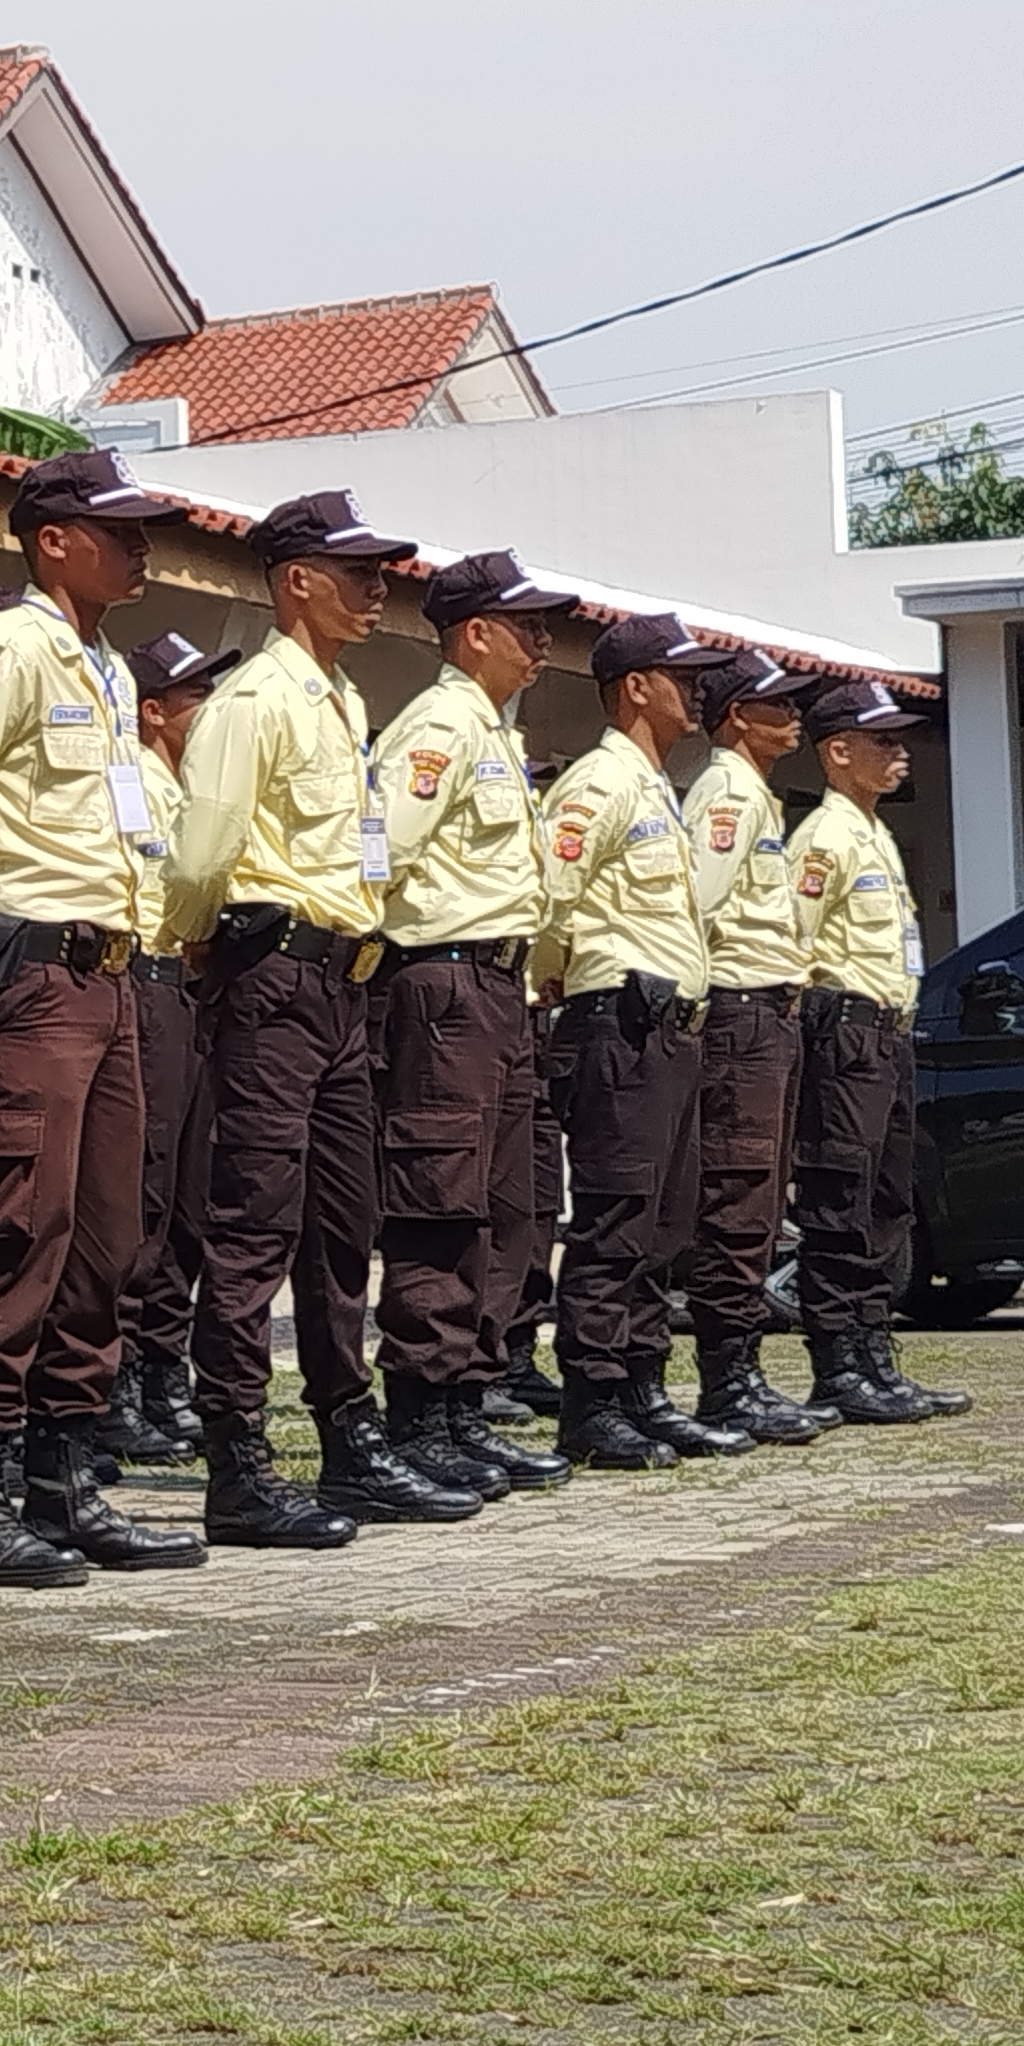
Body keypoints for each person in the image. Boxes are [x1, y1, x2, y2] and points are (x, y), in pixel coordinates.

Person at [0, 452, 206, 1583]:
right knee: (10, 1229)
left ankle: (64, 1481)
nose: (141, 546)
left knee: (102, 1236)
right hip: (26, 972)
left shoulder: (104, 666)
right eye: (117, 530)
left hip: (104, 976)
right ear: (52, 540)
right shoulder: (6, 650)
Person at [164, 490, 480, 1538]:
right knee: (253, 1226)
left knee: (343, 1226)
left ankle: (348, 1439)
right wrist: (199, 942)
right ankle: (237, 1460)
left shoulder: (340, 701)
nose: (376, 591)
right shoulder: (254, 700)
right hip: (271, 975)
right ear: (296, 581)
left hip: (341, 983)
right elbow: (201, 853)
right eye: (356, 574)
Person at [364, 551, 580, 1500]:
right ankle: (418, 1413)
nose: (541, 642)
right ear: (474, 633)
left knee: (502, 1206)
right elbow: (381, 856)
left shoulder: (493, 731)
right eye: (524, 626)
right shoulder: (438, 727)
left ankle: (464, 1403)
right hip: (443, 981)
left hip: (497, 988)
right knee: (439, 1202)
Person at [531, 611, 737, 1471]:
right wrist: (555, 978)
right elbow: (552, 891)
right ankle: (593, 1399)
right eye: (680, 677)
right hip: (620, 1021)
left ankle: (643, 1387)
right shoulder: (600, 781)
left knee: (665, 1222)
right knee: (615, 1216)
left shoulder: (657, 787)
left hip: (671, 1029)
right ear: (635, 688)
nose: (696, 691)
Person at [788, 682, 960, 1426]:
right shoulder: (823, 838)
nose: (899, 752)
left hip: (890, 1032)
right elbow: (790, 944)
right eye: (882, 740)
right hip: (846, 1032)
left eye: (899, 739)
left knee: (888, 1200)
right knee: (842, 1199)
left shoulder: (875, 834)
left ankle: (873, 1353)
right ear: (837, 751)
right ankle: (837, 1363)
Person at [677, 651, 830, 1446]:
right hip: (738, 1010)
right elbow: (697, 904)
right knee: (737, 1197)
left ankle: (744, 1373)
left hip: (769, 1013)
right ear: (737, 715)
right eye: (779, 705)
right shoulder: (728, 794)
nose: (795, 718)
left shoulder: (755, 794)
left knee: (762, 1201)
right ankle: (727, 1381)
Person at [102, 627, 234, 1468]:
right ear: (154, 713)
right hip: (145, 981)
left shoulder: (190, 793)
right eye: (195, 700)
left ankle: (159, 1367)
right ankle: (116, 1379)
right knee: (140, 1192)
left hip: (189, 993)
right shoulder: (127, 782)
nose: (208, 715)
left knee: (189, 1198)